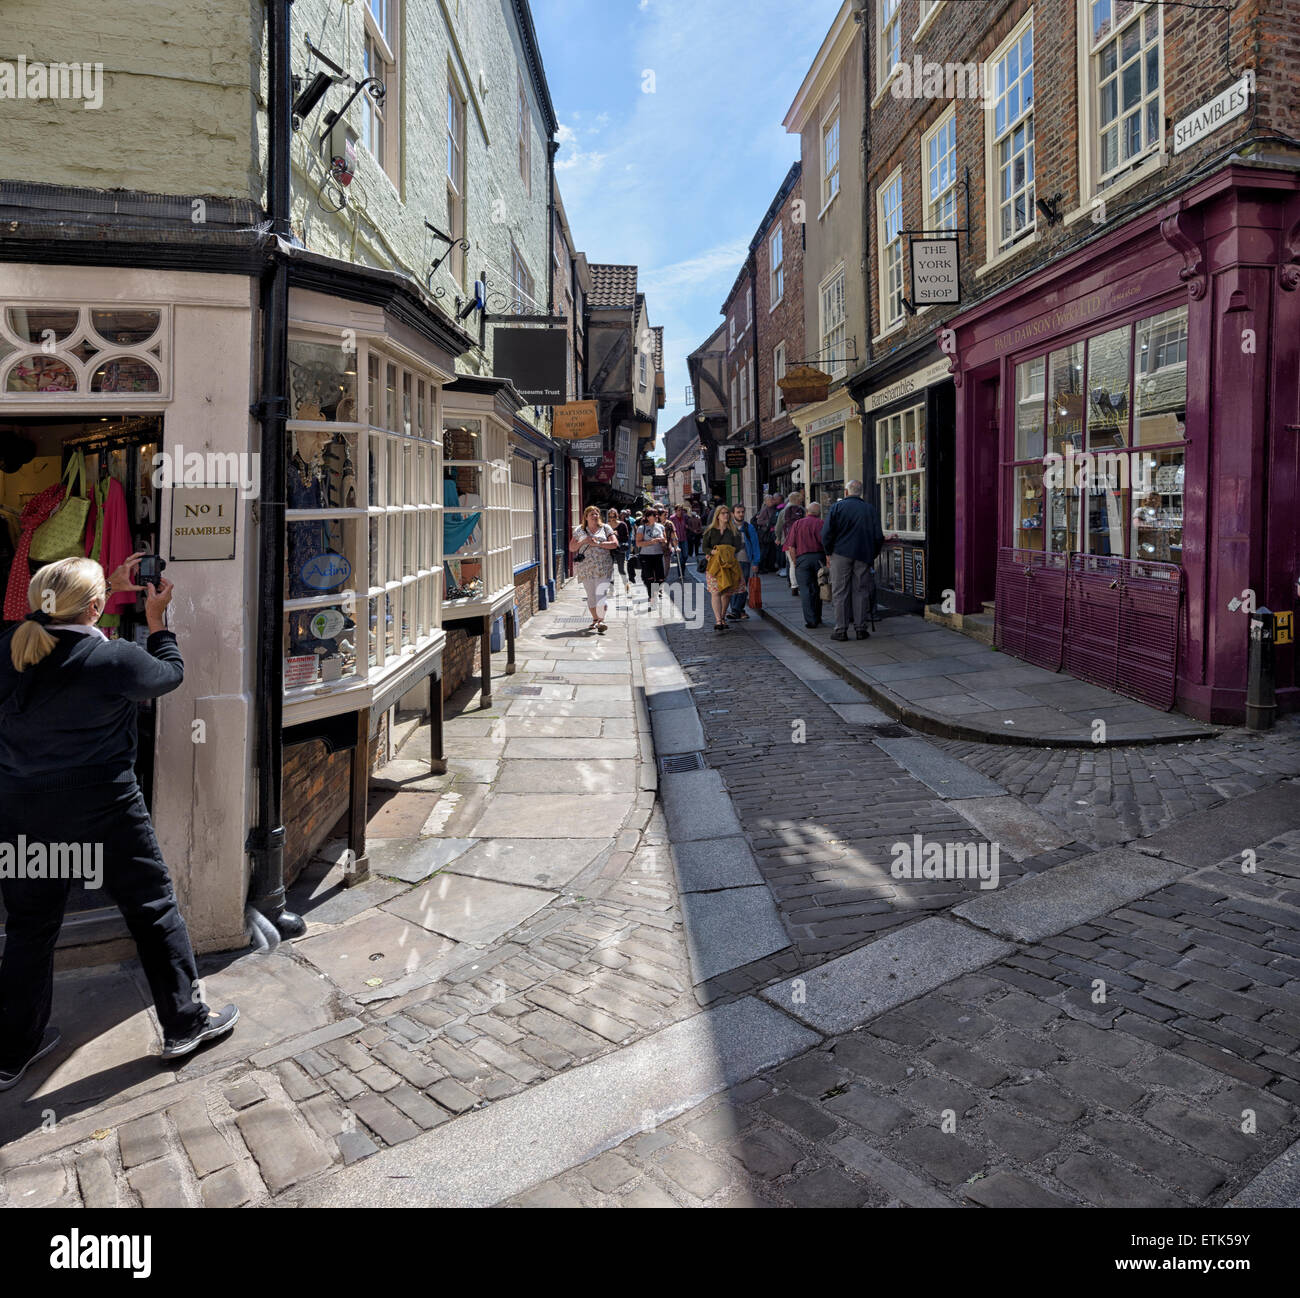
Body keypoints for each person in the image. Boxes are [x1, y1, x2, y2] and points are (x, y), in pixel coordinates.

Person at [0, 556, 239, 1088]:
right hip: (104, 810)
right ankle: (185, 1023)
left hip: (24, 811)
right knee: (151, 910)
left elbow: (64, 621)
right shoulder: (113, 661)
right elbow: (169, 676)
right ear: (93, 607)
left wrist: (105, 584)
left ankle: (12, 1051)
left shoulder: (11, 649)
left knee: (30, 930)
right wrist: (158, 621)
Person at [821, 479, 885, 641]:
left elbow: (826, 534)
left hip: (840, 553)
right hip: (863, 554)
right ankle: (860, 629)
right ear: (860, 493)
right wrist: (872, 554)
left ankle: (841, 630)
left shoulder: (837, 508)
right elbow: (878, 536)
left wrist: (828, 553)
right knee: (861, 591)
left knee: (840, 591)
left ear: (846, 492)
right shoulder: (869, 509)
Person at [571, 506, 619, 632]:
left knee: (600, 595)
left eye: (597, 513)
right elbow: (572, 548)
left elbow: (615, 544)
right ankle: (595, 619)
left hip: (603, 567)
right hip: (586, 568)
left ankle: (601, 621)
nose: (595, 516)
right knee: (591, 596)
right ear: (586, 517)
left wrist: (597, 544)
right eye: (592, 514)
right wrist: (583, 541)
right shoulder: (579, 530)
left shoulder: (606, 528)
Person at [701, 504, 745, 632]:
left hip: (729, 564)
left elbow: (738, 546)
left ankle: (723, 616)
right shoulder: (710, 530)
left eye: (727, 513)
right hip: (714, 564)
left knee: (726, 592)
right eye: (723, 513)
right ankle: (718, 620)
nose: (726, 515)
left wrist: (726, 551)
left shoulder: (733, 531)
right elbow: (704, 547)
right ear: (718, 516)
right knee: (715, 592)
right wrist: (713, 552)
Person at [783, 501, 826, 629]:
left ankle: (810, 620)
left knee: (806, 590)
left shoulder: (797, 524)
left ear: (807, 512)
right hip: (819, 558)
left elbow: (791, 546)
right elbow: (826, 543)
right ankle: (818, 617)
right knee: (819, 588)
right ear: (819, 513)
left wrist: (795, 562)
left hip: (802, 559)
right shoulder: (821, 523)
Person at [726, 502, 762, 622]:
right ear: (733, 514)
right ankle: (738, 610)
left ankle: (736, 610)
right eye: (738, 512)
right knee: (732, 586)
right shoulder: (728, 527)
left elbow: (755, 545)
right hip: (731, 562)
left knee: (742, 586)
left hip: (745, 560)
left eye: (742, 512)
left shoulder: (749, 527)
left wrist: (756, 562)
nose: (741, 514)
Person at [635, 507, 668, 602]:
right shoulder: (642, 528)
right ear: (648, 517)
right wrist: (652, 542)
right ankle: (651, 595)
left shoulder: (661, 526)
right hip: (646, 555)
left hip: (658, 554)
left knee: (660, 577)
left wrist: (663, 541)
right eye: (653, 515)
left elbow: (665, 540)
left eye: (656, 514)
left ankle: (655, 591)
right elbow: (638, 543)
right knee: (649, 577)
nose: (656, 516)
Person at [775, 490, 805, 593]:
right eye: (800, 500)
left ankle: (793, 584)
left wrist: (778, 537)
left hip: (787, 540)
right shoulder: (802, 510)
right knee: (798, 562)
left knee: (791, 563)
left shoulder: (783, 511)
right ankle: (798, 583)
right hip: (800, 540)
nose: (801, 502)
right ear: (797, 500)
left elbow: (778, 527)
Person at [607, 507, 629, 590]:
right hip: (609, 550)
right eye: (610, 517)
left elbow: (626, 538)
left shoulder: (622, 525)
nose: (612, 519)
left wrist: (617, 535)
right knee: (610, 570)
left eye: (614, 517)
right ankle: (611, 588)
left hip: (620, 549)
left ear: (617, 516)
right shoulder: (606, 526)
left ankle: (626, 584)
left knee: (621, 569)